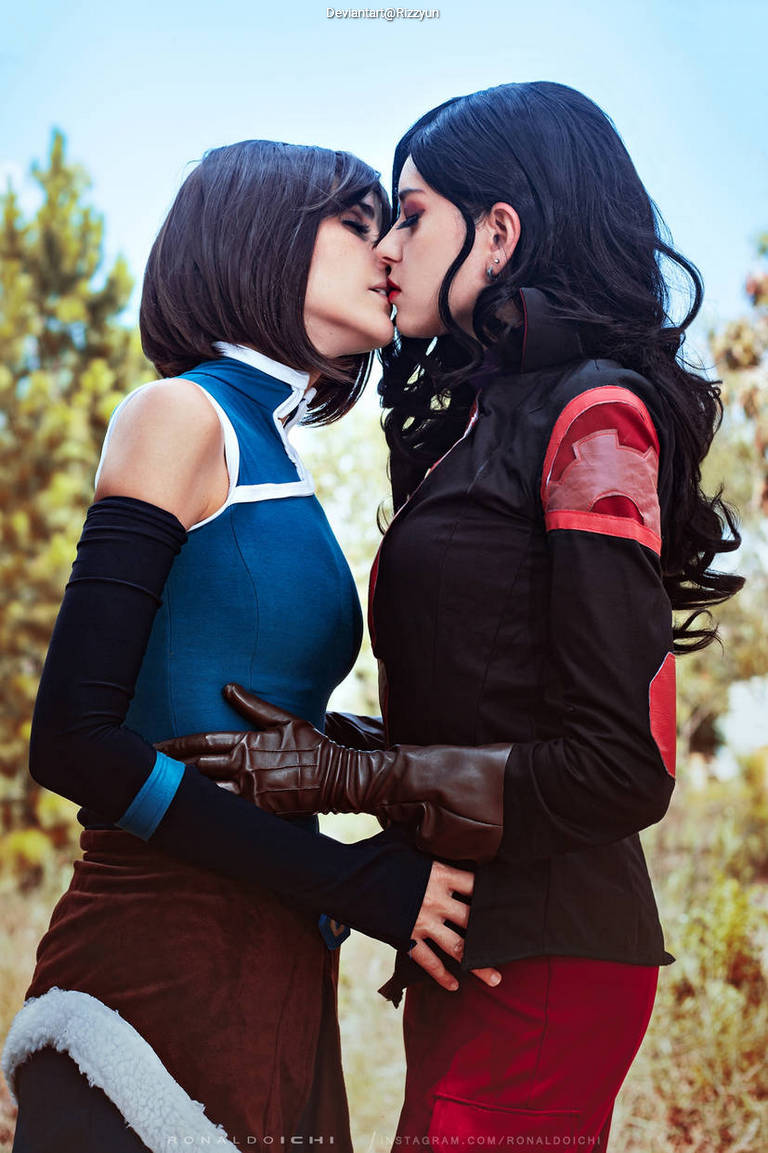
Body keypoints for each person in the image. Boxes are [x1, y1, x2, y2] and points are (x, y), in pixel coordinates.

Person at [160, 84, 745, 1150]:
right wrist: (337, 743)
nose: (388, 246)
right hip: (473, 938)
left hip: (549, 959)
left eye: (413, 213)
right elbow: (500, 699)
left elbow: (620, 766)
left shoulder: (595, 416)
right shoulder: (487, 419)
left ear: (500, 232)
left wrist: (357, 777)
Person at [1, 138, 504, 1153]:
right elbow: (74, 742)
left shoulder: (281, 451)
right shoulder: (178, 414)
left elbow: (269, 729)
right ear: (259, 235)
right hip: (148, 978)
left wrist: (399, 790)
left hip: (276, 971)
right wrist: (366, 886)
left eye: (392, 227)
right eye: (358, 226)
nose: (388, 254)